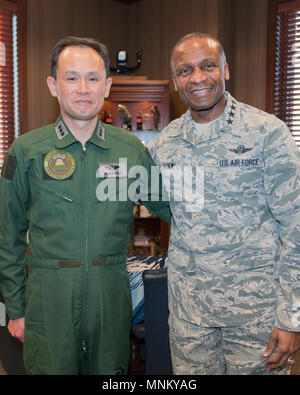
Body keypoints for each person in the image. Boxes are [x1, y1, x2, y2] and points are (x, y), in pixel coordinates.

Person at [0, 36, 170, 375]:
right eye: (71, 77)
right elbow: (9, 236)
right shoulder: (26, 150)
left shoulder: (130, 149)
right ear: (53, 85)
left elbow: (170, 208)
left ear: (106, 86)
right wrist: (15, 308)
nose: (83, 88)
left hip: (110, 293)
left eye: (92, 78)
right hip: (49, 295)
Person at [148, 32, 300, 375]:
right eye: (185, 70)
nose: (198, 78)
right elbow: (158, 205)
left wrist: (292, 318)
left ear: (226, 70)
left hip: (255, 315)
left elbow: (296, 226)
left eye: (208, 66)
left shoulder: (266, 133)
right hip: (189, 318)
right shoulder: (165, 144)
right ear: (174, 81)